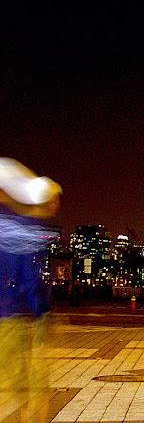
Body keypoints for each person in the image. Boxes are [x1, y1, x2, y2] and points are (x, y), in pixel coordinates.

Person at [1, 158, 62, 423]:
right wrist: (43, 313)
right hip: (16, 316)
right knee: (33, 385)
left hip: (6, 314)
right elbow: (28, 278)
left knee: (16, 383)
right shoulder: (23, 228)